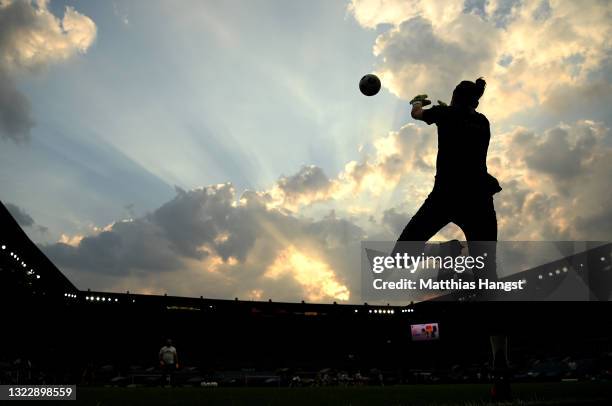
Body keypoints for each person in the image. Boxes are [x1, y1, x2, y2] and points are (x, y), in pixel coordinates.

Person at [396, 78, 510, 399]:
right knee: (489, 282)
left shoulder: (446, 115)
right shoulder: (481, 121)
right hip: (479, 199)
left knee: (402, 250)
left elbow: (418, 114)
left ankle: (451, 257)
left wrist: (417, 102)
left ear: (455, 98)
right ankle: (499, 364)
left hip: (446, 195)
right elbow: (460, 111)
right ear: (476, 102)